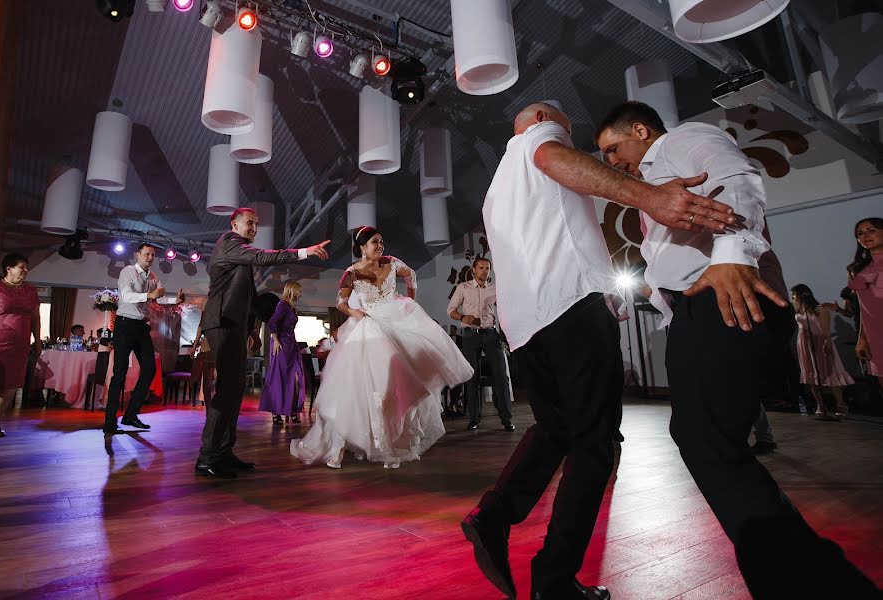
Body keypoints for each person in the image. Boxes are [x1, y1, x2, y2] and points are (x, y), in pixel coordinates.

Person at [594, 100, 878, 598]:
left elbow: (739, 177)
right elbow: (669, 259)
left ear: (641, 130)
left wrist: (731, 255)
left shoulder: (679, 144)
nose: (612, 161)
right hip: (697, 308)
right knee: (701, 438)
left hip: (726, 297)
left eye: (613, 148)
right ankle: (812, 577)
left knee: (706, 442)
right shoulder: (652, 188)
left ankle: (809, 583)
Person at [463, 101, 738, 600]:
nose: (595, 150)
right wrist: (650, 197)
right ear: (547, 117)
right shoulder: (542, 141)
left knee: (557, 430)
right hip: (571, 304)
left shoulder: (495, 186)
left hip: (525, 324)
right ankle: (554, 578)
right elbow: (554, 157)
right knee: (594, 446)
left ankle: (494, 514)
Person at [290, 226, 474, 470]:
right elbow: (341, 303)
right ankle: (340, 445)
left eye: (381, 242)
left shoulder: (392, 263)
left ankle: (386, 442)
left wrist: (409, 299)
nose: (380, 246)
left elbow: (412, 276)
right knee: (354, 387)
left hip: (394, 319)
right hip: (366, 324)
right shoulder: (351, 273)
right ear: (362, 247)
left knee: (392, 381)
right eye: (375, 242)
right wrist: (357, 313)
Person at [196, 207, 330, 478]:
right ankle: (207, 457)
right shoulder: (230, 244)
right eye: (250, 223)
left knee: (234, 388)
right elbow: (262, 256)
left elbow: (245, 299)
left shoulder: (239, 254)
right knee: (226, 389)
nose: (254, 228)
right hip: (221, 323)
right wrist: (304, 251)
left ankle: (224, 452)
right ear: (234, 224)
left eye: (257, 224)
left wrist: (249, 329)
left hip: (233, 324)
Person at [103, 242, 184, 436]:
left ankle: (131, 415)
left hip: (141, 326)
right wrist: (150, 294)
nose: (150, 258)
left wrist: (175, 300)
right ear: (137, 255)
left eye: (153, 255)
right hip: (124, 325)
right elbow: (126, 295)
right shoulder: (128, 272)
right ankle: (109, 423)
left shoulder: (153, 276)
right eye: (147, 254)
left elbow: (158, 298)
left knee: (150, 370)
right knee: (119, 374)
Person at [447, 257, 514, 431]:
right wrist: (462, 317)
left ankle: (506, 419)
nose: (485, 271)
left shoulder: (494, 289)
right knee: (472, 377)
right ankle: (474, 419)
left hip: (491, 335)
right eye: (482, 268)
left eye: (487, 268)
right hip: (470, 335)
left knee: (501, 376)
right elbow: (450, 310)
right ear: (474, 270)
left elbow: (505, 309)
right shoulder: (463, 287)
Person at [0, 253, 41, 439]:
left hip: (19, 346)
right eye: (21, 266)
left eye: (26, 267)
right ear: (9, 268)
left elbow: (35, 318)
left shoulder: (31, 291)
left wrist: (37, 340)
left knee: (11, 384)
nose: (25, 270)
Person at [791, 284, 854, 417]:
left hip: (819, 343)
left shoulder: (819, 309)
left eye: (795, 295)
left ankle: (841, 404)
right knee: (811, 374)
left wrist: (827, 343)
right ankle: (820, 404)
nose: (793, 298)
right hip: (804, 344)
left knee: (830, 371)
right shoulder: (798, 310)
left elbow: (825, 330)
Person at [259, 281, 305, 425]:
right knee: (279, 378)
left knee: (295, 378)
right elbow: (272, 322)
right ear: (292, 290)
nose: (300, 294)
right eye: (299, 291)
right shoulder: (283, 305)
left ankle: (291, 410)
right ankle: (276, 413)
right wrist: (276, 340)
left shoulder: (291, 307)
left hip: (292, 345)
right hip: (281, 346)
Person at [848, 217, 883, 387]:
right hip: (875, 336)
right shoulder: (860, 269)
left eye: (871, 230)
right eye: (859, 233)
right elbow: (863, 308)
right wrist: (862, 338)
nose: (865, 236)